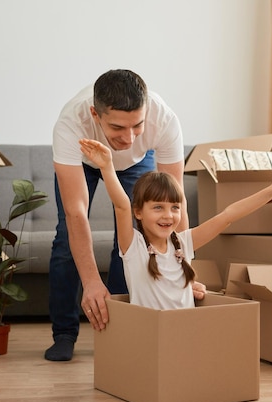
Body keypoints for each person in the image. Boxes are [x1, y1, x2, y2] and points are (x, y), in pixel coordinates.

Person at [46, 69, 190, 361]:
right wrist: (91, 282)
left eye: (137, 126)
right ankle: (64, 334)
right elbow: (76, 214)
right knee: (65, 243)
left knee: (134, 243)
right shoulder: (71, 124)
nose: (128, 137)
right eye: (117, 128)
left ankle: (120, 331)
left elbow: (176, 202)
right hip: (85, 160)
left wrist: (185, 270)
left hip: (138, 165)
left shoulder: (164, 120)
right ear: (95, 115)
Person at [80, 138, 272, 309]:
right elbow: (121, 205)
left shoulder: (184, 241)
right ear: (138, 212)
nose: (168, 215)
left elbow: (228, 215)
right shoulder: (133, 246)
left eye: (175, 208)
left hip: (185, 334)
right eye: (158, 207)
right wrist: (107, 167)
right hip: (151, 335)